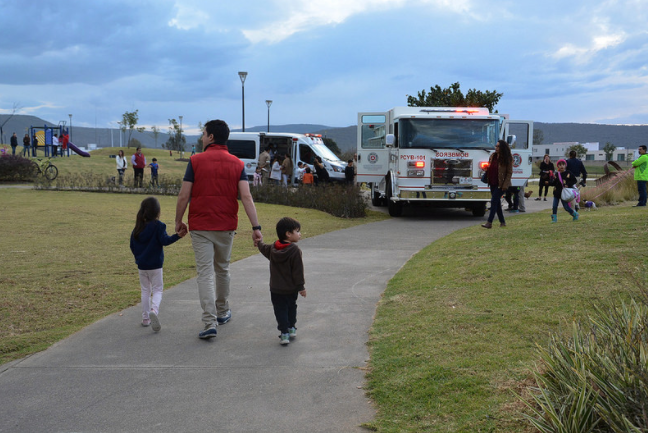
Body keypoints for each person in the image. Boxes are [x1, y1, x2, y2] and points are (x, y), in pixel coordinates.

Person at [175, 119, 262, 340]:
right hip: (226, 226)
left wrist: (178, 221)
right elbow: (246, 197)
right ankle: (223, 312)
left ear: (211, 137)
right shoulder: (237, 164)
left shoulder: (195, 162)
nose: (202, 137)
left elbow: (184, 195)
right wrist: (256, 227)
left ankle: (209, 322)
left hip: (201, 226)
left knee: (205, 273)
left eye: (204, 134)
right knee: (222, 269)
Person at [130, 197, 187, 331]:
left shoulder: (137, 228)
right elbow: (165, 241)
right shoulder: (159, 226)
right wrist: (177, 236)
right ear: (157, 212)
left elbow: (132, 246)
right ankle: (154, 310)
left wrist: (138, 258)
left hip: (142, 266)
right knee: (157, 289)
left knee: (145, 290)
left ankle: (145, 319)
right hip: (155, 265)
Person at [257, 217, 306, 345]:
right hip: (291, 289)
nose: (300, 234)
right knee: (291, 307)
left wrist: (259, 243)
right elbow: (298, 271)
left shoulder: (273, 248)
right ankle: (291, 327)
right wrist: (301, 287)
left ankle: (284, 333)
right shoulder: (294, 250)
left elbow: (264, 248)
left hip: (276, 289)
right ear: (288, 234)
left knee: (280, 310)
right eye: (297, 231)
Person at [482, 140, 513, 229]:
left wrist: (505, 185)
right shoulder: (493, 156)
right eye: (496, 146)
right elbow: (490, 166)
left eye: (498, 146)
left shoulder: (507, 158)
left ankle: (489, 222)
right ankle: (502, 222)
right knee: (497, 203)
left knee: (493, 201)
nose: (496, 148)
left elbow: (509, 173)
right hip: (492, 182)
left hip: (501, 184)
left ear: (502, 147)